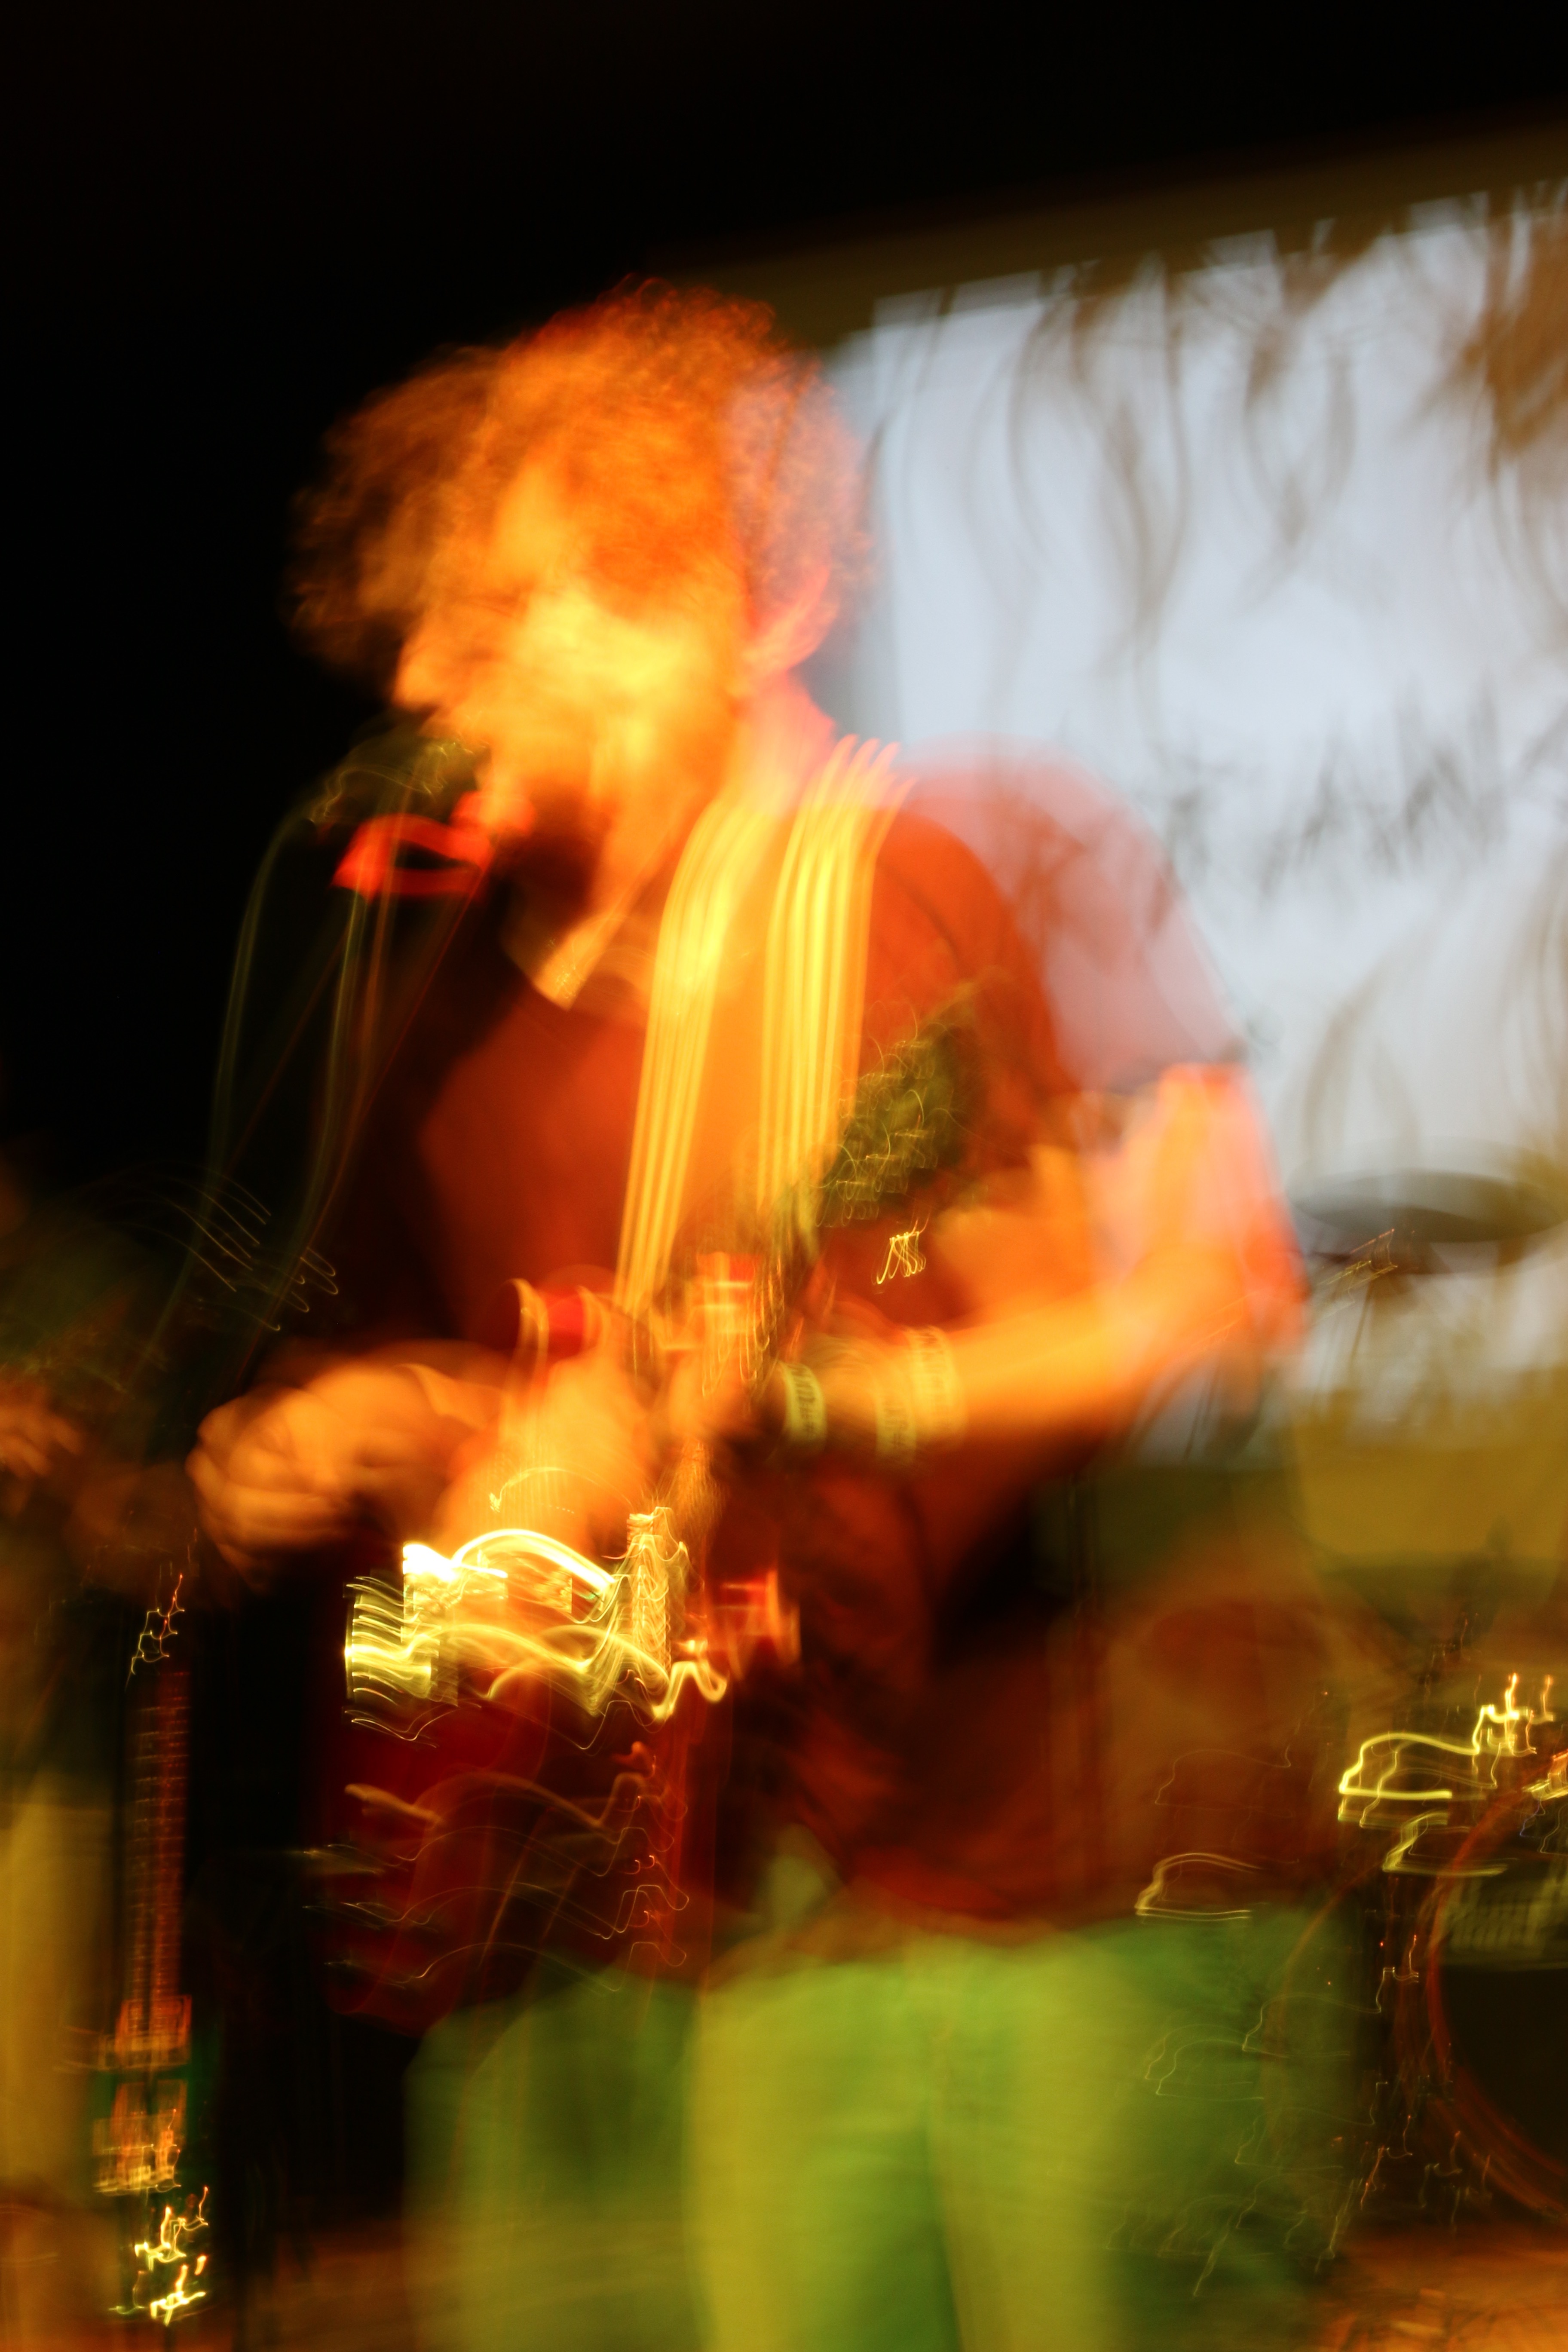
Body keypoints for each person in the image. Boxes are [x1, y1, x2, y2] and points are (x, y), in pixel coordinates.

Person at [188, 285, 1336, 2351]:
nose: (434, 675)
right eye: (437, 622)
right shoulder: (450, 1010)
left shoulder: (970, 858)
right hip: (775, 1900)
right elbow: (571, 1410)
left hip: (1097, 1872)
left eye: (515, 610)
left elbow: (1215, 1289)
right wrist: (423, 1428)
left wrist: (824, 1395)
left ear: (737, 604)